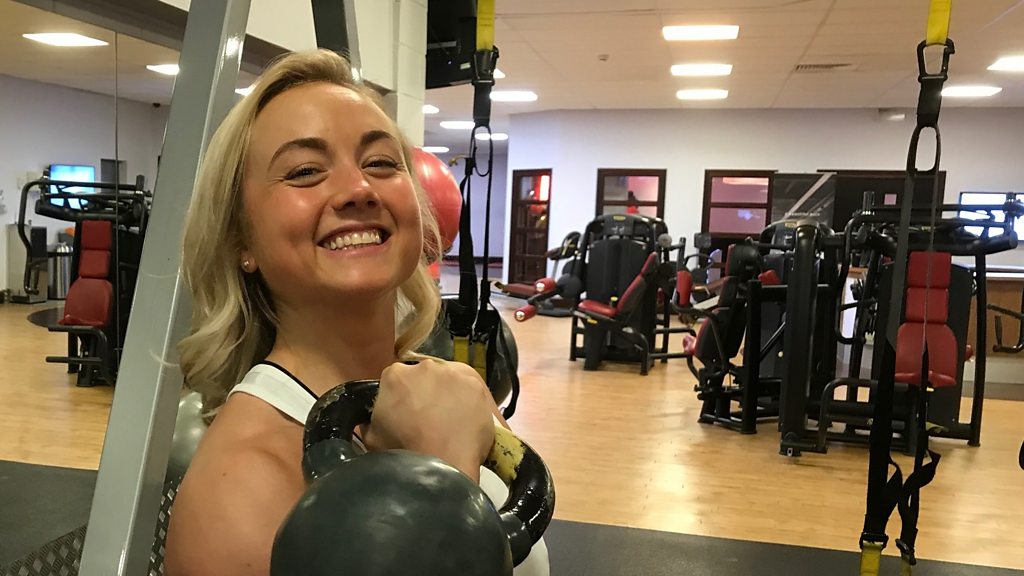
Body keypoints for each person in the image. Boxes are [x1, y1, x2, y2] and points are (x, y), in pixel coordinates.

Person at [165, 49, 548, 576]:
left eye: (381, 163)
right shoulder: (237, 490)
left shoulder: (440, 390)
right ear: (240, 239)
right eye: (305, 171)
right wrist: (439, 473)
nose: (359, 189)